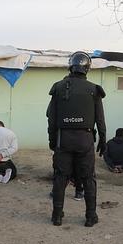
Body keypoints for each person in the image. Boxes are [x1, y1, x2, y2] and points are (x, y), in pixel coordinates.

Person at [47, 51, 106, 227]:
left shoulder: (58, 87)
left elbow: (51, 118)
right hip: (85, 139)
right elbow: (100, 119)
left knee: (60, 177)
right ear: (87, 68)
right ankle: (90, 216)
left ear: (70, 66)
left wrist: (52, 141)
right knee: (88, 178)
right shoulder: (94, 89)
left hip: (63, 138)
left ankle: (57, 215)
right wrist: (102, 139)